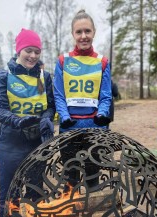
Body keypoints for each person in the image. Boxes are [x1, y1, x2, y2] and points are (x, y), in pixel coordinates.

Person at [0, 28, 55, 217]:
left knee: (36, 189)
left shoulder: (42, 76)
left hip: (36, 141)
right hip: (11, 142)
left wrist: (46, 118)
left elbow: (49, 105)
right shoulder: (4, 75)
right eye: (29, 50)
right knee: (10, 191)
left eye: (37, 51)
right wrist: (18, 121)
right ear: (18, 50)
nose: (33, 56)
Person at [53, 9, 112, 187]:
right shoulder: (63, 61)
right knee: (70, 178)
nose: (83, 36)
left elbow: (106, 96)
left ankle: (90, 214)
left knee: (92, 179)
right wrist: (64, 117)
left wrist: (101, 115)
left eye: (87, 31)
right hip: (69, 129)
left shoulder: (102, 61)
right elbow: (59, 94)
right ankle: (71, 212)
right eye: (79, 32)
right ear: (73, 34)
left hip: (95, 130)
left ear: (94, 32)